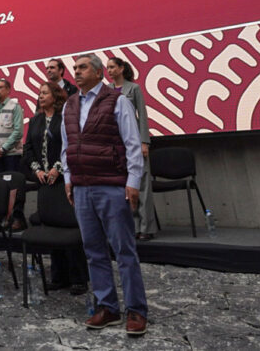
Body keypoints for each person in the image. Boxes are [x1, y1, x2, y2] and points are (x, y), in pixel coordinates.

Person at [61, 54, 148, 336]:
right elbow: (66, 146)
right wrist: (67, 178)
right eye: (74, 68)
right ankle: (107, 307)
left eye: (82, 67)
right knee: (94, 252)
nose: (76, 71)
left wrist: (133, 181)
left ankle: (136, 310)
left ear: (99, 73)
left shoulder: (117, 99)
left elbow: (132, 142)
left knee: (124, 251)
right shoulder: (70, 105)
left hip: (112, 186)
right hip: (82, 187)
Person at [24, 82, 88, 293]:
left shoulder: (65, 118)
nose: (41, 96)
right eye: (39, 93)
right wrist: (37, 171)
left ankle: (78, 277)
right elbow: (29, 149)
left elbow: (70, 144)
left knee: (70, 227)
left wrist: (57, 168)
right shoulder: (34, 121)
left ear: (55, 96)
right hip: (44, 182)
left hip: (64, 180)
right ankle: (59, 276)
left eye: (45, 93)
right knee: (52, 227)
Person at [107, 57, 156, 241]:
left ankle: (147, 227)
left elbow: (142, 115)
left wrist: (144, 142)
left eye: (112, 67)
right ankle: (133, 226)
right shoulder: (107, 91)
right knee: (126, 186)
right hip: (117, 143)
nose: (109, 71)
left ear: (121, 68)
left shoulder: (133, 88)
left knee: (142, 185)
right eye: (107, 68)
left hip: (134, 140)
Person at [0, 78, 25, 174]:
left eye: (0, 87)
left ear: (8, 90)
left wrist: (3, 149)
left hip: (12, 154)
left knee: (12, 185)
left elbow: (18, 131)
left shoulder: (15, 106)